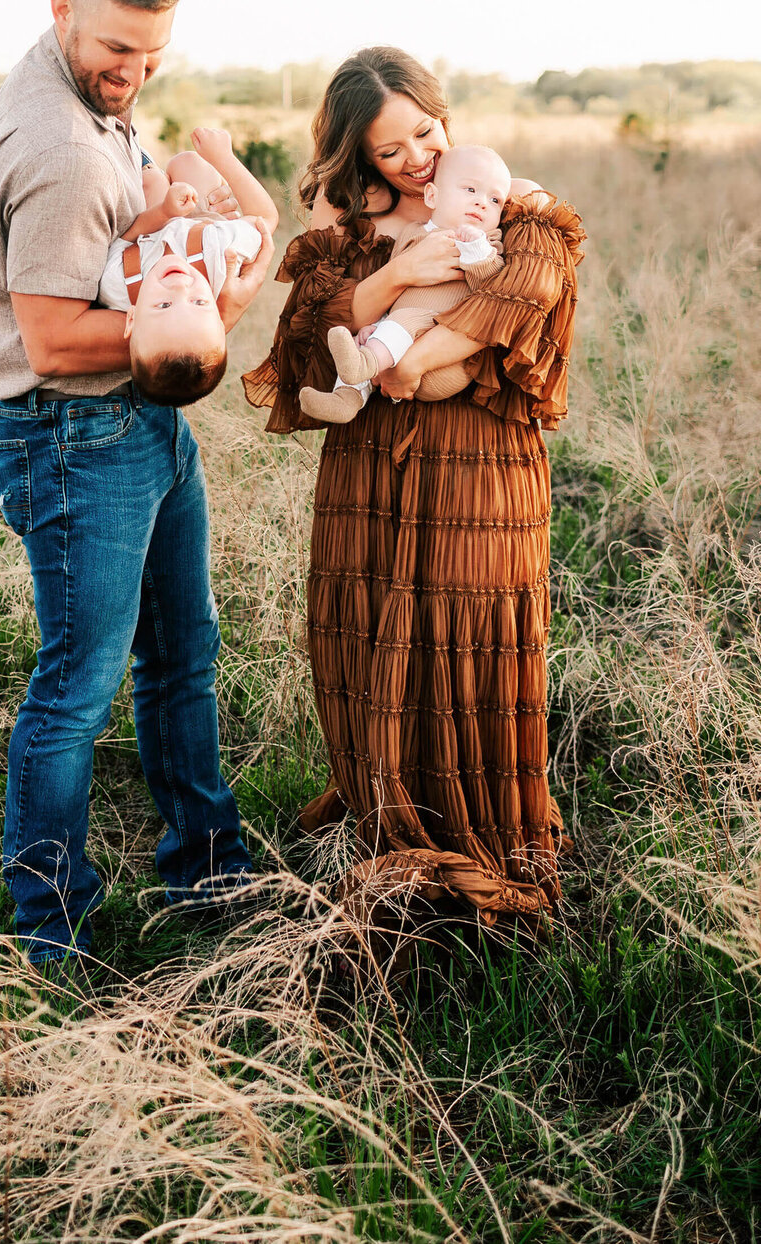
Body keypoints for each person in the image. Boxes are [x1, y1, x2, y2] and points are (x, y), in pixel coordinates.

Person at [0, 0, 273, 970]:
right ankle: (54, 934)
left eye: (150, 55)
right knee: (76, 688)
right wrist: (202, 324)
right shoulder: (58, 151)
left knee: (184, 652)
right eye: (113, 51)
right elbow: (51, 339)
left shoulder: (95, 97)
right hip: (75, 433)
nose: (130, 74)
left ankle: (209, 867)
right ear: (62, 10)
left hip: (139, 418)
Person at [243, 48, 584, 925]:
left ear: (444, 115)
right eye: (392, 152)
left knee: (468, 639)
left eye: (426, 134)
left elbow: (525, 294)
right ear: (360, 155)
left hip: (480, 466)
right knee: (369, 639)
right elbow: (303, 347)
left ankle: (484, 841)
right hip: (370, 473)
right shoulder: (344, 234)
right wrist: (395, 272)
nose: (419, 160)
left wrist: (419, 353)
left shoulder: (509, 202)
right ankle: (388, 824)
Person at [299, 144, 523, 422]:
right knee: (365, 337)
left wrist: (475, 249)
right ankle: (346, 398)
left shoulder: (488, 241)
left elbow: (491, 288)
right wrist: (378, 323)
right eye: (470, 191)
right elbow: (396, 290)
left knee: (406, 319)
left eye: (495, 201)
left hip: (445, 358)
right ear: (432, 196)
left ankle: (365, 363)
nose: (482, 203)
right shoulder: (412, 233)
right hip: (399, 345)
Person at [100, 126, 278, 407]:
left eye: (164, 306)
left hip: (157, 212)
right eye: (198, 302)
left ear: (131, 319)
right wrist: (223, 157)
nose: (181, 286)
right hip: (202, 226)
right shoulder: (219, 257)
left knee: (154, 185)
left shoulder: (118, 286)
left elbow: (124, 240)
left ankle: (134, 150)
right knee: (190, 163)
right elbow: (265, 218)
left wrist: (163, 213)